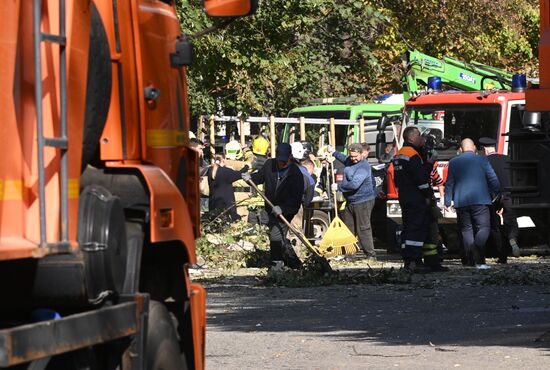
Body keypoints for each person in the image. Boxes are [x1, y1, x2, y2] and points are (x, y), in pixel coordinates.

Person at [243, 143, 304, 271]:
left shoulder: (295, 173)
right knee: (278, 235)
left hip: (286, 209)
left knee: (276, 234)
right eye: (280, 160)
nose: (282, 163)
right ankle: (294, 264)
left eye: (284, 161)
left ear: (290, 157)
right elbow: (260, 177)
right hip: (270, 207)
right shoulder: (269, 164)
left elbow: (296, 199)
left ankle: (276, 263)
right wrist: (250, 178)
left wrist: (283, 209)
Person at [444, 138, 500, 268]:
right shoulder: (482, 160)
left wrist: (447, 200)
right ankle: (477, 248)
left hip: (461, 201)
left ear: (461, 149)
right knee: (484, 228)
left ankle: (471, 260)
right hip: (481, 200)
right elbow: (492, 178)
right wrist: (497, 192)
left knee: (466, 230)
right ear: (474, 147)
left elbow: (449, 183)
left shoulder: (453, 162)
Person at [392, 127, 433, 273]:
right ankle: (415, 260)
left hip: (404, 196)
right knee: (417, 229)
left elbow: (397, 179)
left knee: (408, 228)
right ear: (412, 138)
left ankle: (408, 260)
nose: (421, 139)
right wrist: (427, 195)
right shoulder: (413, 155)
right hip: (416, 197)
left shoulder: (399, 155)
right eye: (419, 136)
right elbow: (421, 179)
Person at [329, 143, 377, 259]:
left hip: (363, 201)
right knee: (349, 228)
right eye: (351, 156)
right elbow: (343, 158)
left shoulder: (363, 167)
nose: (353, 159)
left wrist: (339, 187)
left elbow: (354, 184)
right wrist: (333, 152)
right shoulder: (350, 160)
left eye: (356, 156)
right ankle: (349, 254)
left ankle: (371, 255)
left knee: (363, 228)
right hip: (350, 200)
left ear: (362, 154)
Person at [479, 137, 521, 262]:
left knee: (495, 226)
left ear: (484, 149)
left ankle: (502, 256)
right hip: (509, 196)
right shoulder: (507, 159)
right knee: (511, 222)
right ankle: (512, 238)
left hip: (491, 197)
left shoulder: (483, 161)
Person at [207, 154, 249, 221]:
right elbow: (240, 173)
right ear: (223, 160)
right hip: (225, 206)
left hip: (213, 204)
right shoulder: (226, 171)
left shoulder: (210, 171)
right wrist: (247, 166)